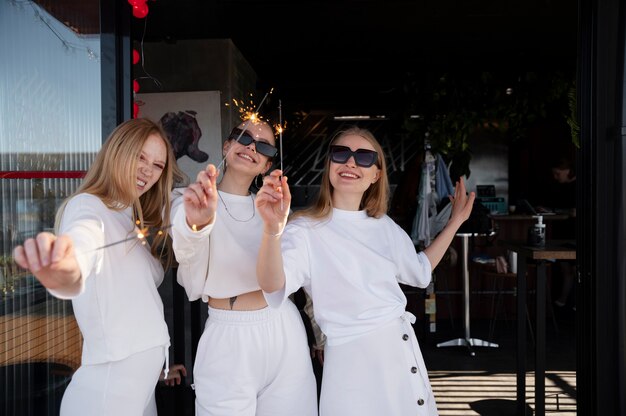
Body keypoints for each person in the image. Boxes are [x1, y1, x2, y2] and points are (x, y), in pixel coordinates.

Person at [255, 126, 475, 416]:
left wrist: (455, 221)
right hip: (352, 365)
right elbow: (273, 285)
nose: (350, 163)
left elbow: (420, 272)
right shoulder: (303, 229)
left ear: (376, 174)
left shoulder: (385, 226)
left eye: (364, 157)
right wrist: (272, 230)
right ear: (329, 166)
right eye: (341, 153)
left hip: (401, 353)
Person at [12, 118, 209, 415]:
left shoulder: (131, 214)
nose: (148, 170)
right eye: (140, 157)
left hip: (136, 390)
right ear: (118, 152)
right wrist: (64, 268)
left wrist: (156, 366)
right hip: (106, 397)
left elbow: (132, 302)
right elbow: (82, 244)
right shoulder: (88, 206)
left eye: (157, 165)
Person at [170, 119, 317, 416]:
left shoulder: (272, 207)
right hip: (229, 334)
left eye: (262, 146)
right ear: (226, 145)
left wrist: (275, 226)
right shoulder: (190, 198)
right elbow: (185, 245)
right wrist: (196, 222)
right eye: (243, 137)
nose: (251, 146)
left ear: (266, 164)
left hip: (282, 328)